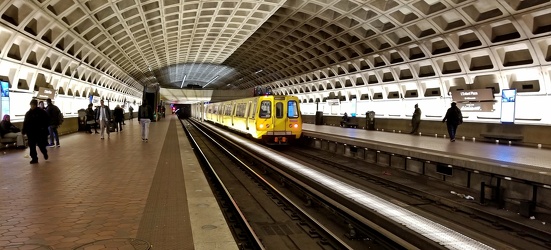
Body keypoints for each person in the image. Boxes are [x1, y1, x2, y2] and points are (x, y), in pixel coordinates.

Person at [22, 99, 49, 164]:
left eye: (33, 105)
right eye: (31, 105)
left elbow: (47, 120)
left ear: (36, 105)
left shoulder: (41, 112)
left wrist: (44, 128)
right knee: (32, 146)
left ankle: (44, 152)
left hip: (39, 132)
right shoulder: (28, 113)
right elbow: (25, 122)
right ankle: (34, 158)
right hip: (30, 132)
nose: (32, 106)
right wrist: (24, 130)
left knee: (41, 144)